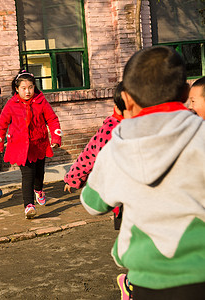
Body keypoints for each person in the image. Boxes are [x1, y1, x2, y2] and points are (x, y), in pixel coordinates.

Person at [80, 46, 205, 299]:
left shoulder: (116, 147)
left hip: (145, 279)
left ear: (126, 100)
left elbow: (93, 203)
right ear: (184, 92)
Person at [0, 70, 62, 219]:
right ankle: (29, 205)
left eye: (30, 87)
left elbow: (52, 119)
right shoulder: (12, 104)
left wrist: (55, 138)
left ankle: (39, 189)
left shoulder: (41, 100)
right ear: (17, 89)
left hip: (39, 144)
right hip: (21, 147)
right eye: (23, 88)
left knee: (39, 174)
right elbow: (2, 124)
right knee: (27, 175)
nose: (27, 91)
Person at [64, 82, 127, 230]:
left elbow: (90, 154)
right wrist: (74, 177)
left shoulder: (140, 124)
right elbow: (90, 154)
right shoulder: (112, 128)